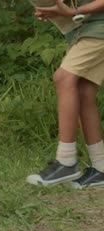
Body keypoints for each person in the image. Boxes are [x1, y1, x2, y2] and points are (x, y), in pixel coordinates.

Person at [26, 0, 104, 189]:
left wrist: (74, 11)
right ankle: (101, 167)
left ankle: (66, 161)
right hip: (85, 28)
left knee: (63, 78)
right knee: (83, 92)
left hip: (99, 29)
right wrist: (57, 12)